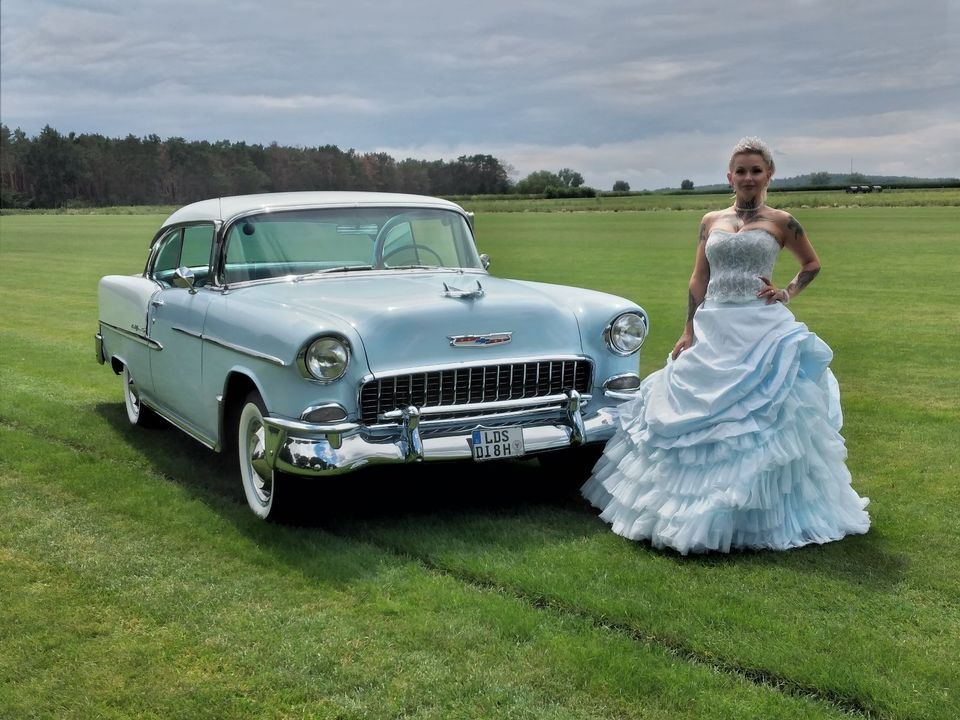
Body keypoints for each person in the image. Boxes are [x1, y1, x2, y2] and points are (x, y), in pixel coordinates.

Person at [581, 137, 870, 555]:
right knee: (690, 410)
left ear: (768, 174)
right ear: (729, 176)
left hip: (761, 328)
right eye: (740, 170)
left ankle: (753, 514)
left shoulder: (783, 221)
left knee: (763, 418)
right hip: (712, 324)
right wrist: (688, 328)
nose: (748, 177)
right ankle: (681, 510)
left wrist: (787, 292)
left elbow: (812, 263)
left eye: (756, 170)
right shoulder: (710, 219)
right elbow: (699, 278)